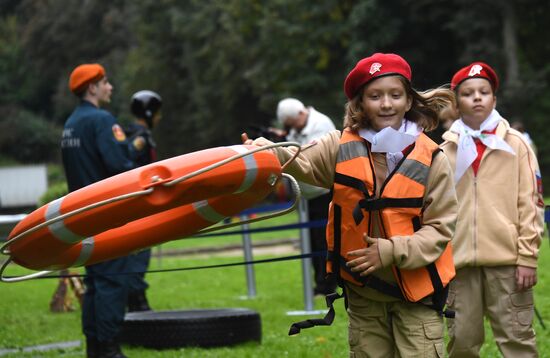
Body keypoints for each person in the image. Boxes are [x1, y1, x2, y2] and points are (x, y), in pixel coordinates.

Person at [243, 53, 458, 357]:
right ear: (360, 103)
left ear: (408, 101)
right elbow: (298, 159)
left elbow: (440, 228)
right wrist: (266, 150)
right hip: (365, 295)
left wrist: (390, 250)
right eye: (375, 96)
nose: (386, 104)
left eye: (395, 95)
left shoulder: (434, 159)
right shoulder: (338, 145)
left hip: (417, 295)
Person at [441, 62, 544, 357]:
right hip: (458, 264)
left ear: (494, 100)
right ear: (456, 103)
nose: (477, 98)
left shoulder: (516, 145)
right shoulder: (445, 151)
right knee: (461, 341)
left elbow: (531, 203)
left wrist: (527, 257)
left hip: (508, 262)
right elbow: (435, 208)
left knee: (516, 339)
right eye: (468, 93)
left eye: (484, 92)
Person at [62, 63, 134, 358]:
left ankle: (94, 348)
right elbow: (119, 165)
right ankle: (110, 349)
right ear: (92, 88)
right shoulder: (102, 120)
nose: (110, 87)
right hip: (108, 212)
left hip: (81, 214)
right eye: (105, 82)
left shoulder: (70, 124)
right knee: (112, 281)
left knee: (94, 283)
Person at [275, 98, 337, 296]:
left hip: (325, 193)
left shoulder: (321, 125)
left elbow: (309, 157)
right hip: (308, 197)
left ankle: (328, 285)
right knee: (312, 242)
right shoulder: (297, 128)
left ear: (300, 115)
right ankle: (320, 284)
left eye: (292, 123)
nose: (292, 128)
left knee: (325, 241)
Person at [124, 90, 163, 312]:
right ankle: (137, 302)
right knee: (138, 255)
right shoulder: (139, 137)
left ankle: (137, 298)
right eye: (157, 113)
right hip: (140, 207)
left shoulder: (138, 133)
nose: (159, 117)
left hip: (140, 206)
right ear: (148, 113)